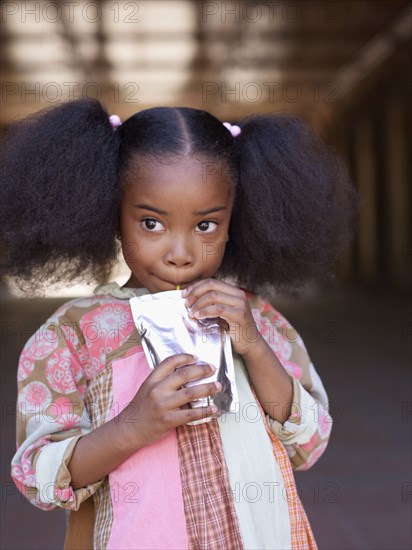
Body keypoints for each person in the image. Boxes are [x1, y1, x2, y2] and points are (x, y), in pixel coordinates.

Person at [2, 99, 357, 549]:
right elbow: (39, 478)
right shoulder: (73, 336)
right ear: (111, 213)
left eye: (206, 225)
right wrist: (132, 425)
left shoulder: (256, 319)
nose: (181, 251)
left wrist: (254, 346)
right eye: (151, 223)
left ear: (235, 220)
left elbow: (309, 443)